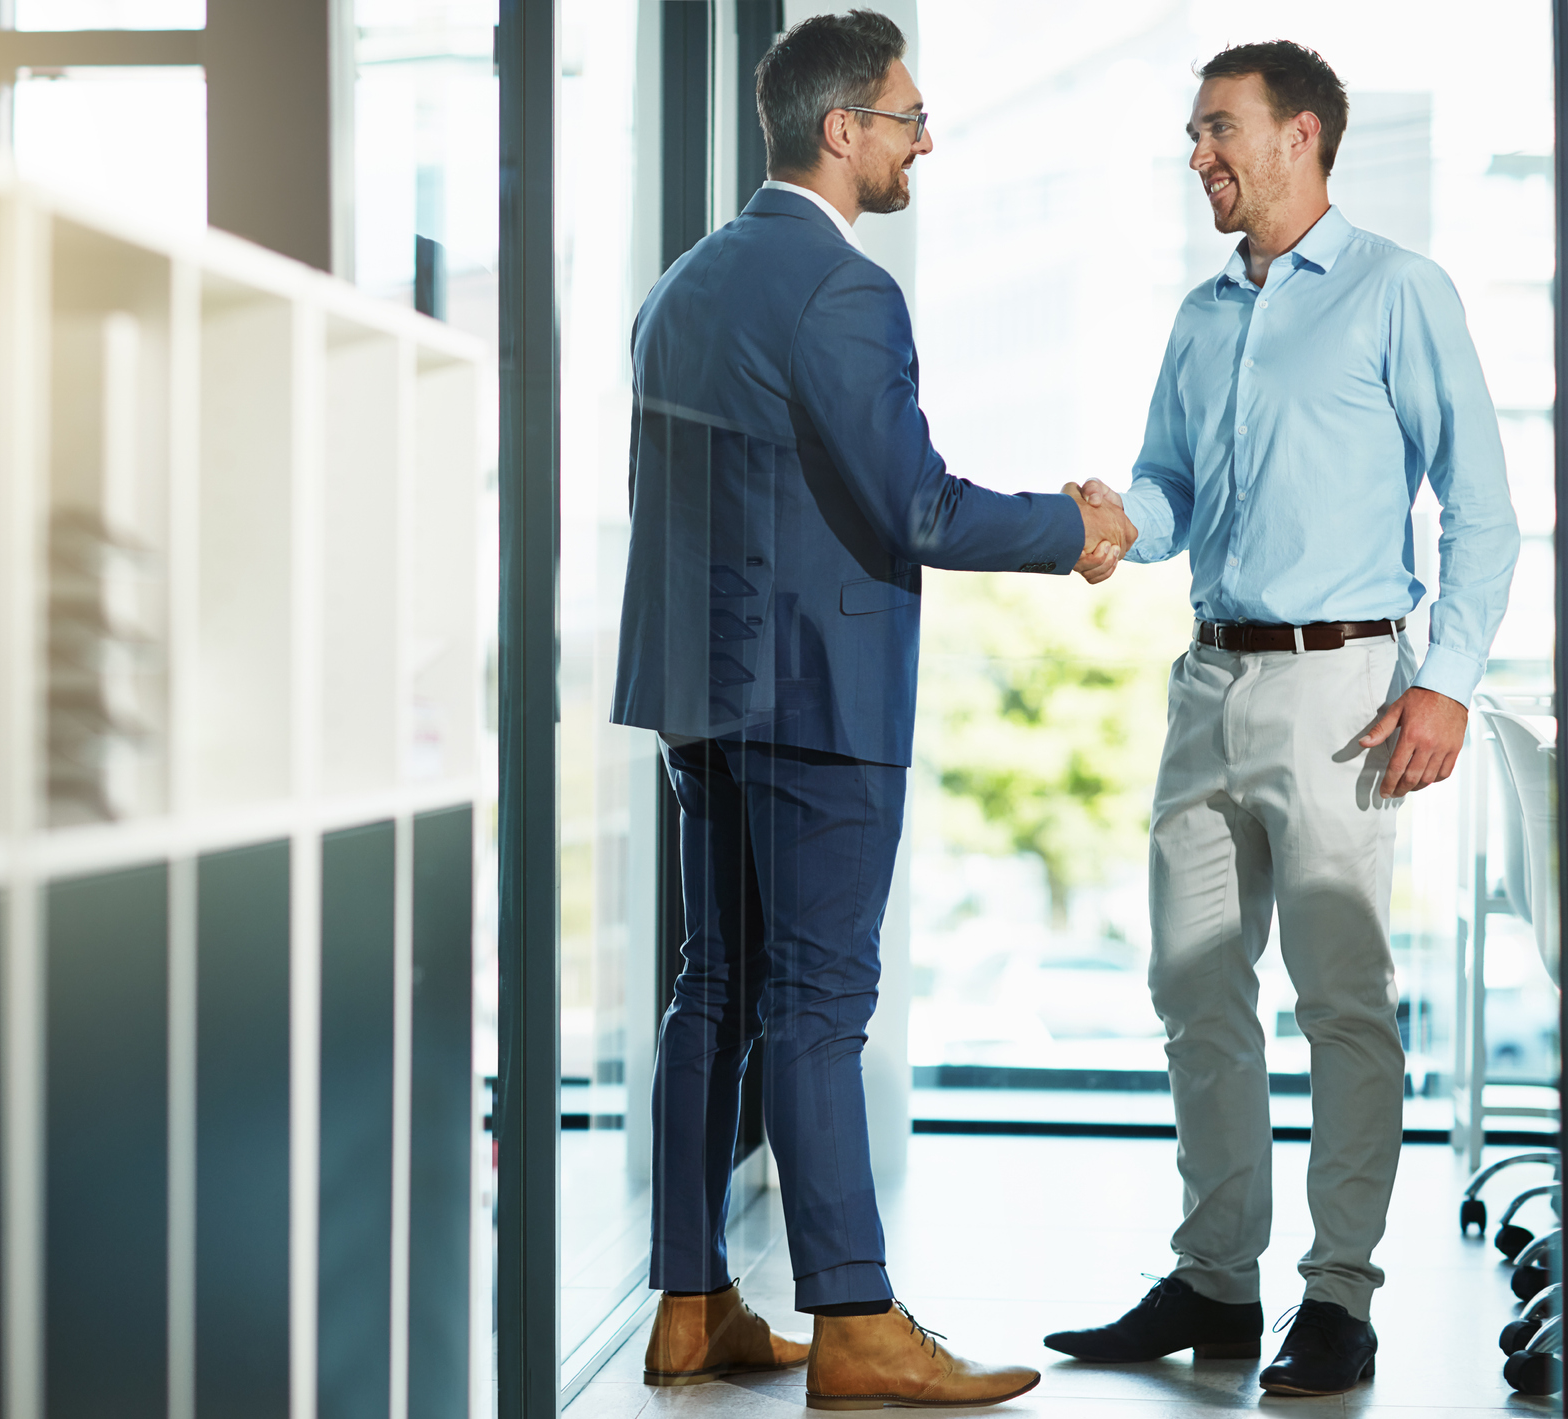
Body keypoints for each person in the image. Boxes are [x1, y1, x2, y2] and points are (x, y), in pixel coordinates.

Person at [613, 10, 1134, 1410]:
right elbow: (911, 502)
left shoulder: (680, 289)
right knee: (819, 1002)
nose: (921, 143)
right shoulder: (842, 292)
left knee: (707, 991)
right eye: (906, 120)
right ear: (839, 131)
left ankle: (688, 1304)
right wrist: (1072, 526)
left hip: (700, 697)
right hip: (816, 696)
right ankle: (853, 1318)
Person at [1042, 41, 1520, 1397]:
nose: (1199, 156)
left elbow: (1478, 508)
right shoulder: (1198, 316)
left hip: (1342, 693)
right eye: (1196, 135)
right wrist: (1113, 523)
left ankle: (1339, 1299)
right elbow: (1169, 488)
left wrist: (1444, 680)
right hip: (1207, 684)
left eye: (1217, 131)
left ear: (1298, 135)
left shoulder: (1394, 291)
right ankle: (1213, 1283)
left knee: (1339, 1001)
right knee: (1192, 987)